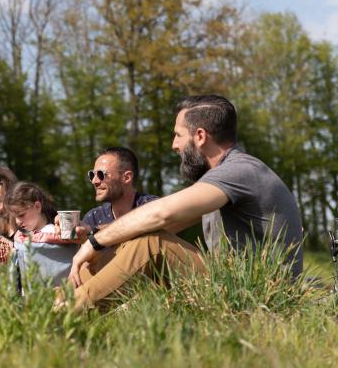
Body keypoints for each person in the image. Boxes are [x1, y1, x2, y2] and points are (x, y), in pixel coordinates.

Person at [68, 95, 304, 310]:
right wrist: (94, 235)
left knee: (152, 244)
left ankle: (65, 314)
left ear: (200, 136)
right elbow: (154, 225)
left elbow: (161, 215)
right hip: (237, 286)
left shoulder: (240, 171)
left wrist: (95, 242)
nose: (174, 144)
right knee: (118, 246)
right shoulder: (222, 179)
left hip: (263, 297)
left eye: (179, 135)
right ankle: (54, 301)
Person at [6, 182, 78, 287]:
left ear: (37, 206)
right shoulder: (22, 237)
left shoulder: (55, 231)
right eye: (14, 217)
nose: (17, 221)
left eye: (21, 215)